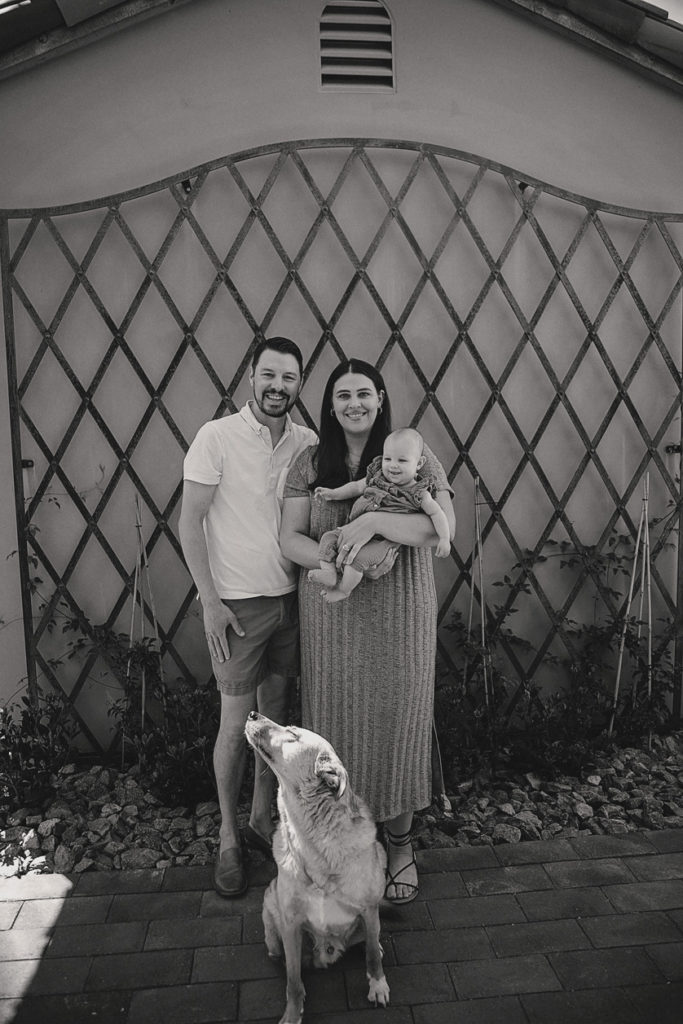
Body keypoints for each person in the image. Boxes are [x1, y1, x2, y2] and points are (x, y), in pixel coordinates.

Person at [280, 359, 455, 904]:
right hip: (332, 619)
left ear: (380, 398)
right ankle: (342, 852)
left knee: (398, 722)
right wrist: (331, 565)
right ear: (330, 406)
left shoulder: (415, 455)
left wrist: (374, 522)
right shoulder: (309, 462)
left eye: (363, 393)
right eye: (342, 395)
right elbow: (288, 537)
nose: (354, 403)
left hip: (401, 612)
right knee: (334, 728)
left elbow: (439, 525)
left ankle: (400, 847)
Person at [178, 337, 317, 897]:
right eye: (269, 376)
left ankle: (262, 821)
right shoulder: (217, 438)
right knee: (235, 726)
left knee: (275, 720)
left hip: (291, 602)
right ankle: (229, 840)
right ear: (250, 378)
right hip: (236, 610)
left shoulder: (307, 443)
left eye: (288, 378)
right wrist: (210, 603)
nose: (278, 387)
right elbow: (190, 524)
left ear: (299, 384)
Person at [310, 427, 451, 602]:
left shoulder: (419, 493)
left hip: (382, 542)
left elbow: (438, 514)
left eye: (402, 460)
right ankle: (329, 573)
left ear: (419, 464)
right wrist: (333, 493)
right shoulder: (378, 477)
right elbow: (355, 487)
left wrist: (444, 538)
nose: (393, 465)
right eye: (387, 458)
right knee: (328, 539)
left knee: (357, 561)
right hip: (352, 530)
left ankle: (343, 590)